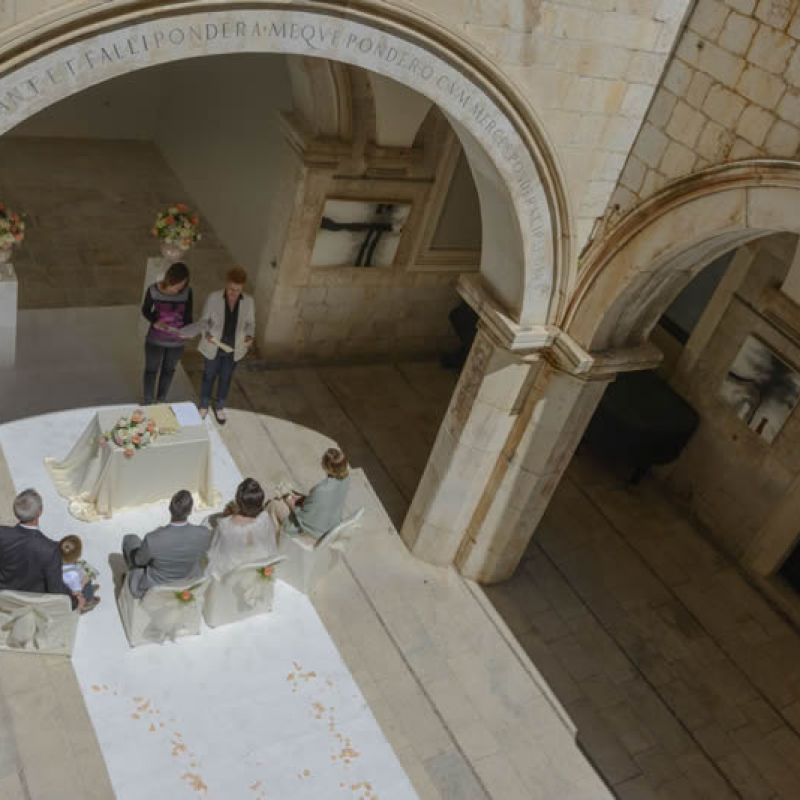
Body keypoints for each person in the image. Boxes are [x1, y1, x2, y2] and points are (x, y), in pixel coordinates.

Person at [121, 489, 212, 599]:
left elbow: (139, 561)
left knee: (130, 539)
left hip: (156, 585)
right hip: (188, 580)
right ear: (190, 511)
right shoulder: (204, 533)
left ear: (170, 508)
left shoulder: (153, 538)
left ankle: (129, 580)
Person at [0, 489, 79, 609]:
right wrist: (75, 602)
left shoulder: (2, 533)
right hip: (30, 601)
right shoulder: (50, 550)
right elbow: (56, 590)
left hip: (4, 593)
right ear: (40, 512)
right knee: (80, 583)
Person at [197, 266, 255, 425]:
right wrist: (206, 334)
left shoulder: (249, 301)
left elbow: (250, 323)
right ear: (226, 283)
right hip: (214, 345)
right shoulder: (213, 297)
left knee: (226, 377)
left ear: (242, 287)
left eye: (238, 290)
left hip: (233, 349)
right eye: (231, 289)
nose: (234, 293)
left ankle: (220, 406)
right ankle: (203, 405)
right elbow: (204, 320)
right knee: (208, 376)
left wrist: (249, 336)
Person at [268, 448, 350, 541]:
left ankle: (274, 540)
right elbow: (322, 501)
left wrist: (288, 499)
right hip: (330, 523)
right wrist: (302, 498)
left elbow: (302, 516)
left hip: (314, 531)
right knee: (293, 498)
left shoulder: (321, 489)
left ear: (327, 467)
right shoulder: (346, 480)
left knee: (273, 504)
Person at [141, 261, 193, 405]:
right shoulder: (153, 290)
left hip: (177, 342)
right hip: (155, 339)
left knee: (169, 371)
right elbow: (145, 310)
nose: (180, 288)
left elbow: (188, 316)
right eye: (178, 284)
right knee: (151, 370)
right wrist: (155, 321)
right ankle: (148, 401)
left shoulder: (188, 292)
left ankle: (161, 400)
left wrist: (189, 331)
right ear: (170, 279)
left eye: (183, 284)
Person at [206, 478, 278, 578]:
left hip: (233, 572)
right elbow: (270, 544)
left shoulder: (226, 525)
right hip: (258, 567)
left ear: (238, 500)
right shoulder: (264, 519)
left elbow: (215, 553)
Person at [59, 535, 100, 613]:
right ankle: (88, 601)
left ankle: (89, 589)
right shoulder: (73, 572)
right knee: (88, 580)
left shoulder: (55, 562)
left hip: (69, 586)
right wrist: (83, 582)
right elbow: (75, 591)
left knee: (87, 575)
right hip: (74, 592)